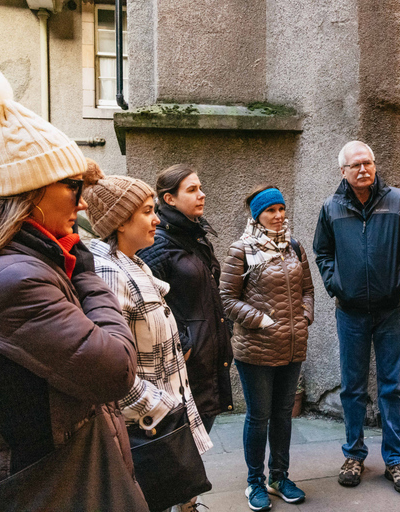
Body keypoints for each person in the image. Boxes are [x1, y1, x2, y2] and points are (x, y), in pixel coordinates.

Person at [0, 66, 147, 510]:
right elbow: (115, 370)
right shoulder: (14, 281)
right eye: (72, 186)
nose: (84, 201)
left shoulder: (21, 267)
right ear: (29, 194)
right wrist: (84, 265)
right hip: (53, 488)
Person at [82, 162, 213, 512]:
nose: (157, 219)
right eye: (147, 211)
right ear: (120, 221)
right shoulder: (110, 272)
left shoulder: (134, 263)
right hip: (146, 432)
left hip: (164, 422)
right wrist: (159, 408)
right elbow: (110, 366)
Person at [313, 141, 400, 494]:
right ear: (343, 172)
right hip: (350, 312)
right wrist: (337, 286)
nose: (364, 170)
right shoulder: (331, 208)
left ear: (375, 166)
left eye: (368, 163)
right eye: (356, 165)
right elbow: (322, 252)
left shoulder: (397, 200)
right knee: (353, 387)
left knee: (391, 386)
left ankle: (396, 458)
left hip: (392, 308)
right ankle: (354, 454)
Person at [219, 186, 315, 511]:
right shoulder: (241, 249)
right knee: (259, 417)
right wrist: (260, 320)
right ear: (257, 215)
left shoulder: (294, 247)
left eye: (281, 209)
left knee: (283, 416)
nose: (278, 216)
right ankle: (254, 483)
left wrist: (305, 316)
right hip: (256, 349)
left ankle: (279, 477)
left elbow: (308, 289)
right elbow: (227, 299)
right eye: (270, 210)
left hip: (291, 347)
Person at [139, 164, 234, 433]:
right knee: (183, 448)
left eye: (200, 188)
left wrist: (225, 329)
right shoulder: (157, 243)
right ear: (169, 199)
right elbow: (149, 304)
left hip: (207, 357)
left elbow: (210, 291)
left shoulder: (196, 235)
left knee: (200, 441)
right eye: (192, 190)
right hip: (184, 364)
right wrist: (183, 343)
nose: (202, 194)